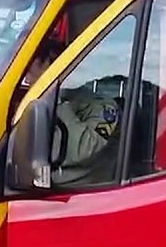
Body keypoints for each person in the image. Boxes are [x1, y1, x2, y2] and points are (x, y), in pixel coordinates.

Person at [23, 39, 122, 182]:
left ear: (51, 66)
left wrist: (54, 98)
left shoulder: (103, 107)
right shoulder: (39, 105)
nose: (28, 80)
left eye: (31, 71)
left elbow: (85, 150)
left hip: (83, 193)